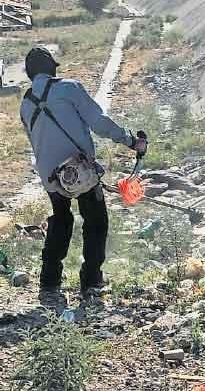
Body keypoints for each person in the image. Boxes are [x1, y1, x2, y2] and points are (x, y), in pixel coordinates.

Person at [20, 47, 147, 299]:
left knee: (61, 220)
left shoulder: (25, 103)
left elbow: (34, 142)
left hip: (51, 175)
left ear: (29, 74)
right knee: (96, 221)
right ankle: (90, 280)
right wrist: (131, 141)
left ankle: (49, 283)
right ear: (53, 69)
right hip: (81, 169)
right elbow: (99, 123)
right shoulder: (69, 88)